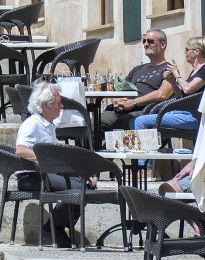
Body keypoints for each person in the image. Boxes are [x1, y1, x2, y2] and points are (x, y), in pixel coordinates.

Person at [16, 81, 88, 249]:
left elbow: (59, 156)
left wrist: (82, 172)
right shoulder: (32, 123)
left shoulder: (49, 126)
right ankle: (54, 227)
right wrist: (45, 160)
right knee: (81, 188)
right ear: (46, 105)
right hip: (31, 176)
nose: (61, 106)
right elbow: (20, 150)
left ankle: (54, 225)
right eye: (58, 102)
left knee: (85, 184)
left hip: (47, 173)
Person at [101, 28, 181, 131]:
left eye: (150, 41)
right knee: (91, 124)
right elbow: (120, 88)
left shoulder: (169, 69)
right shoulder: (137, 69)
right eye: (144, 41)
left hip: (144, 112)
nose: (146, 44)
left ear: (163, 45)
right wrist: (117, 101)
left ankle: (106, 146)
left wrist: (133, 102)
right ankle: (91, 147)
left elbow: (162, 94)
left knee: (119, 125)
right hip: (121, 110)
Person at [133, 35, 205, 135]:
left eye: (187, 49)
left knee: (140, 121)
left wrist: (176, 74)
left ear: (196, 52)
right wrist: (172, 80)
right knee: (140, 118)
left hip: (192, 117)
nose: (185, 52)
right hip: (181, 113)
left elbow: (188, 89)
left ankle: (145, 149)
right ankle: (151, 147)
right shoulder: (194, 72)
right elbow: (180, 96)